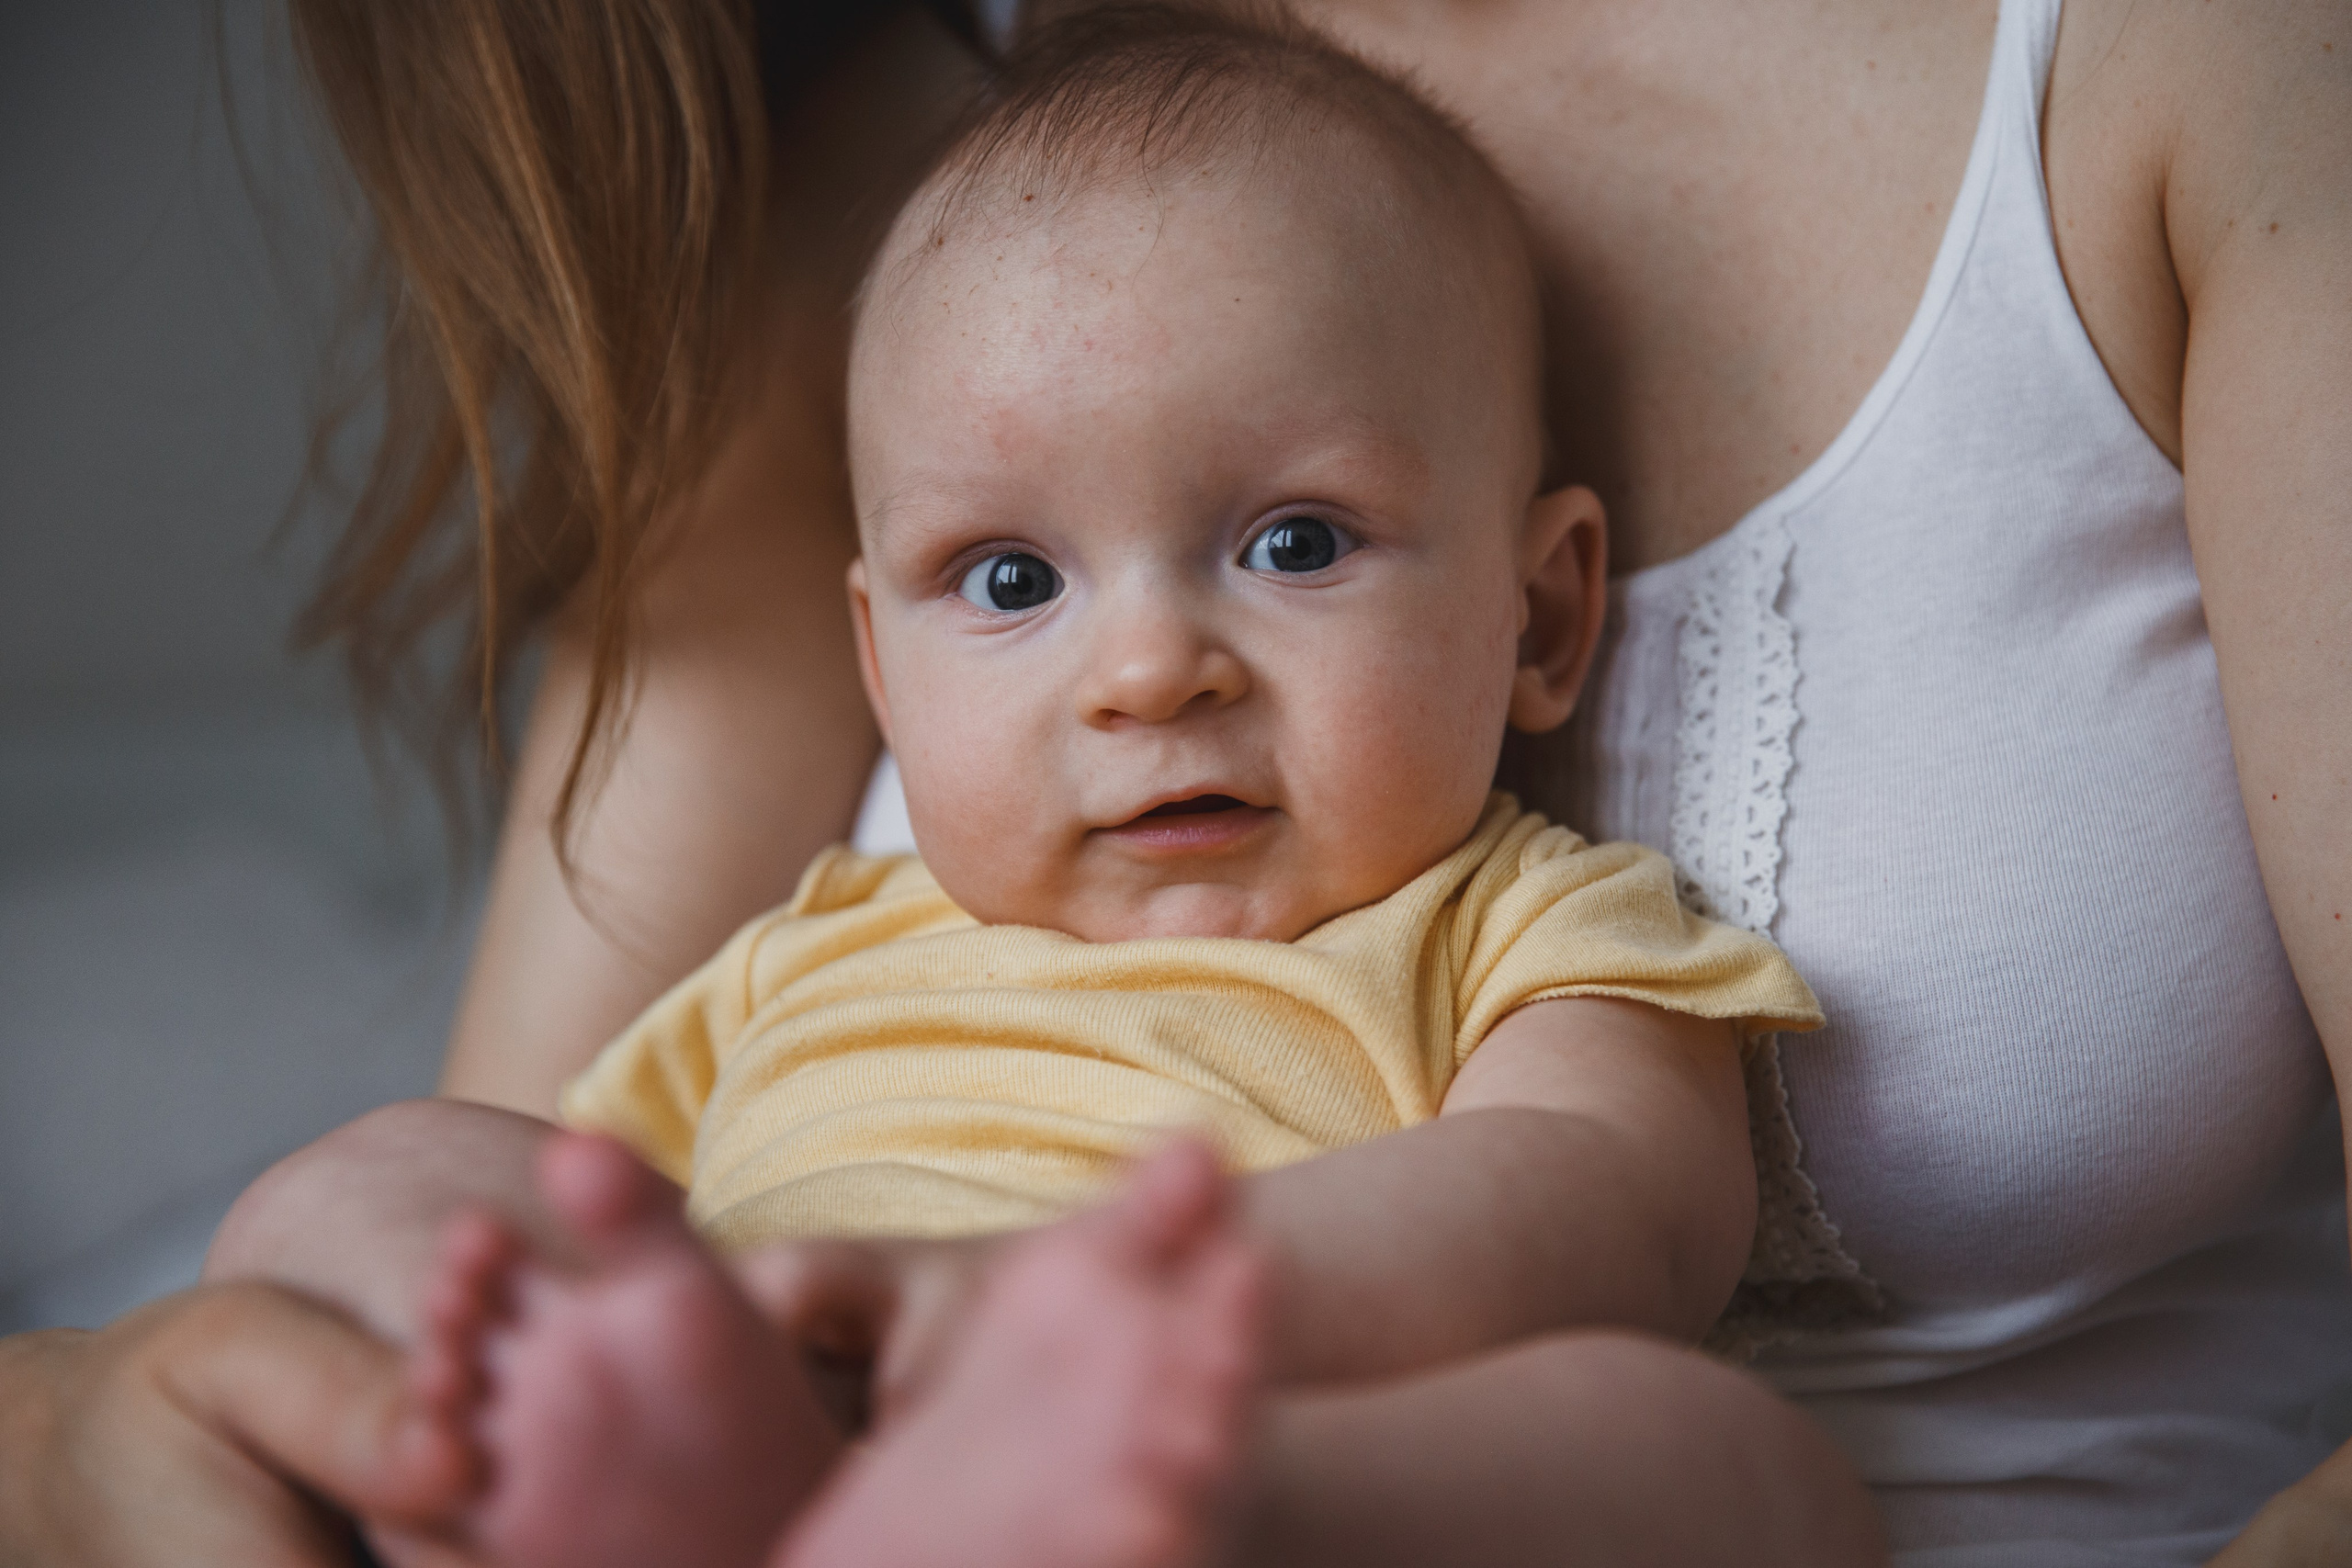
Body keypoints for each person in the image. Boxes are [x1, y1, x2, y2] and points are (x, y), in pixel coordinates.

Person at [1, 0, 2345, 1562]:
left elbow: (1599, 1209)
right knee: (371, 1170)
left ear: (1545, 617)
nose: (1143, 666)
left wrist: (1106, 1332)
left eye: (1294, 545)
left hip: (1225, 1440)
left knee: (1730, 1473)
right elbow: (564, 1156)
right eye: (1004, 580)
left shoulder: (1513, 919)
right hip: (789, 1443)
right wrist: (441, 1318)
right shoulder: (828, 940)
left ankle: (1163, 1499)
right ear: (875, 664)